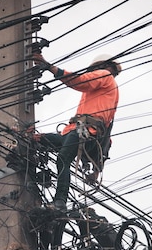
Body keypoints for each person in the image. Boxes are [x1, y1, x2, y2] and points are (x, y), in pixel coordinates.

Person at [33, 53, 122, 211]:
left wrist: (50, 67)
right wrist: (97, 169)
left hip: (85, 131)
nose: (93, 72)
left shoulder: (105, 75)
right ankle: (33, 142)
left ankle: (60, 202)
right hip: (77, 132)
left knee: (63, 159)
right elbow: (107, 139)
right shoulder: (106, 94)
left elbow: (80, 81)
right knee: (41, 140)